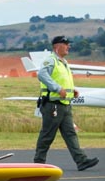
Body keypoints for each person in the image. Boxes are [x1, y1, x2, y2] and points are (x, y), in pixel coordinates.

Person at [34, 35, 98, 171]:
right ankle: (38, 162)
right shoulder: (51, 60)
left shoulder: (64, 62)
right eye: (66, 44)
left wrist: (72, 90)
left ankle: (81, 161)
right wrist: (57, 89)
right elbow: (42, 74)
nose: (69, 46)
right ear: (57, 46)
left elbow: (63, 80)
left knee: (70, 134)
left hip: (65, 104)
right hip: (53, 104)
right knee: (47, 135)